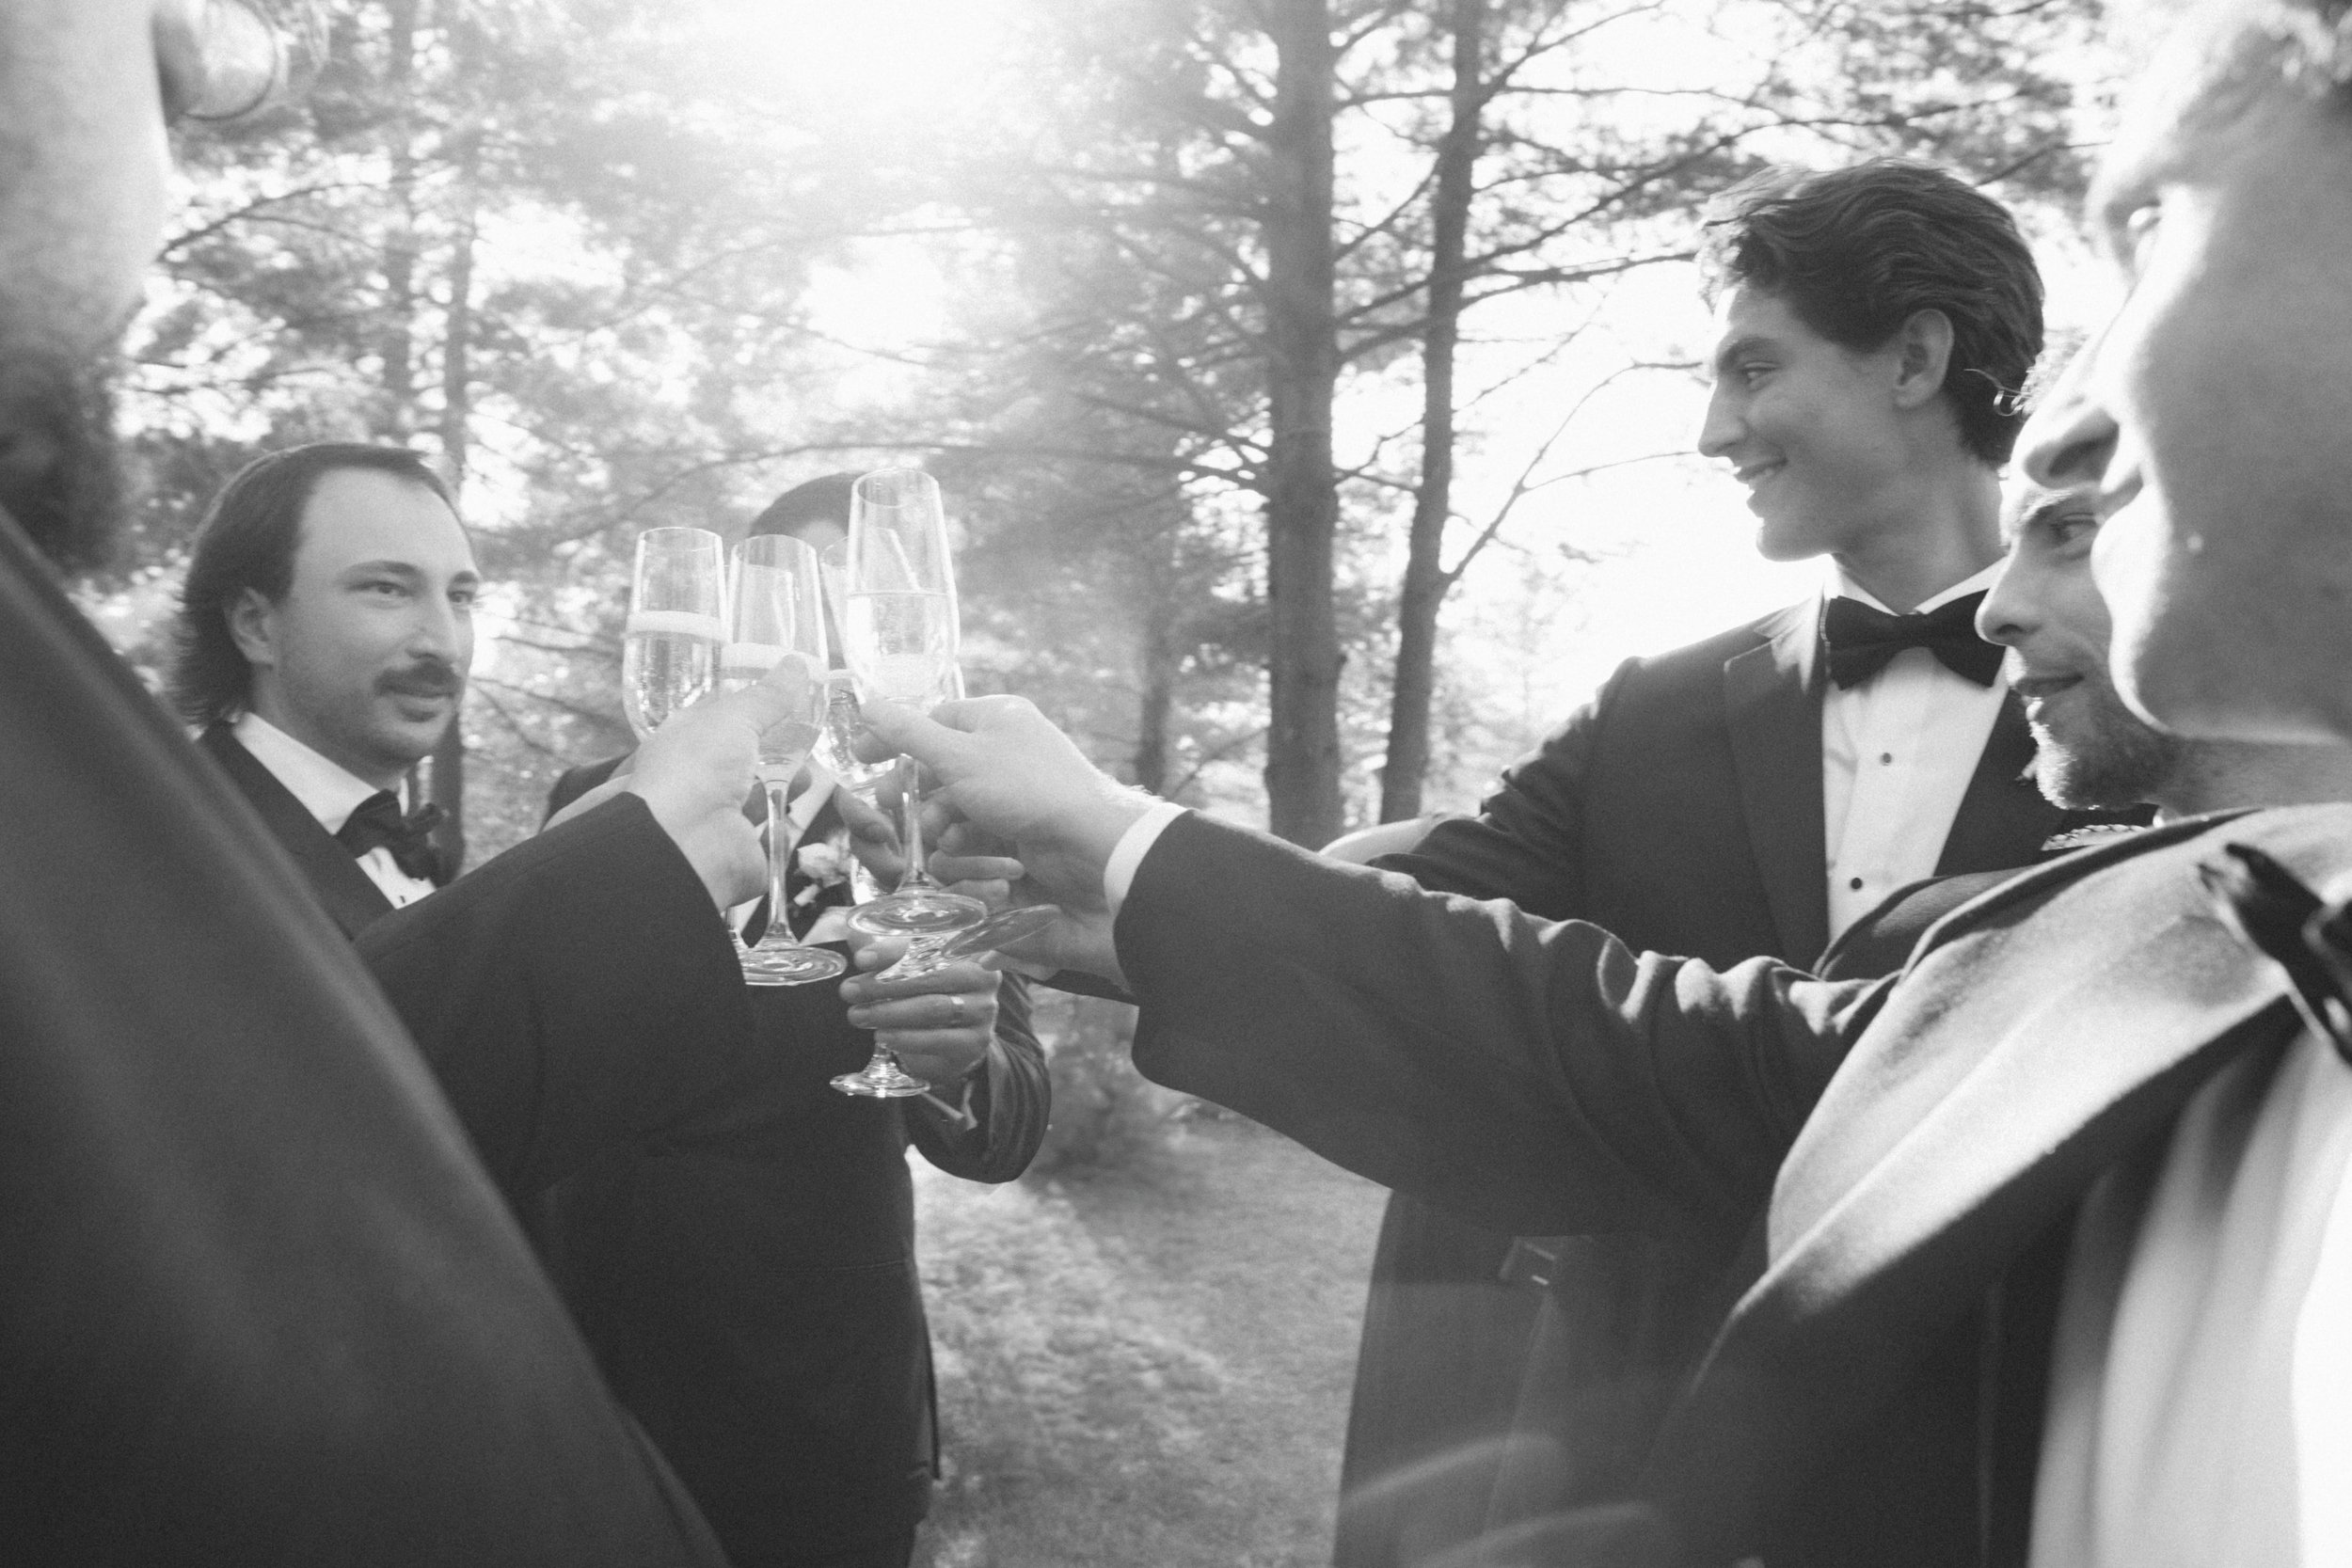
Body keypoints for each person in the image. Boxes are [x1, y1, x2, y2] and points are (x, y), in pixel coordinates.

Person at [0, 6, 806, 1559]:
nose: (198, 55)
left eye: (463, 593)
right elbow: (214, 1186)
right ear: (249, 618)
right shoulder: (128, 846)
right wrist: (629, 870)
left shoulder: (441, 845)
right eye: (385, 589)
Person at [1337, 158, 2137, 1567]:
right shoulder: (1649, 702)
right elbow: (1410, 908)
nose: (1716, 430)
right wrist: (1082, 861)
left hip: (1998, 1472)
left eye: (1753, 369)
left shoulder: (2133, 710)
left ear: (1917, 358)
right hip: (1632, 1462)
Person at [544, 471, 1051, 1568]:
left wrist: (953, 1062)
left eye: (853, 616)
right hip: (610, 1377)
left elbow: (1010, 1121)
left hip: (826, 1403)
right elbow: (550, 1073)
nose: (823, 649)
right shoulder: (605, 798)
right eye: (797, 611)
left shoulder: (942, 824)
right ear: (743, 634)